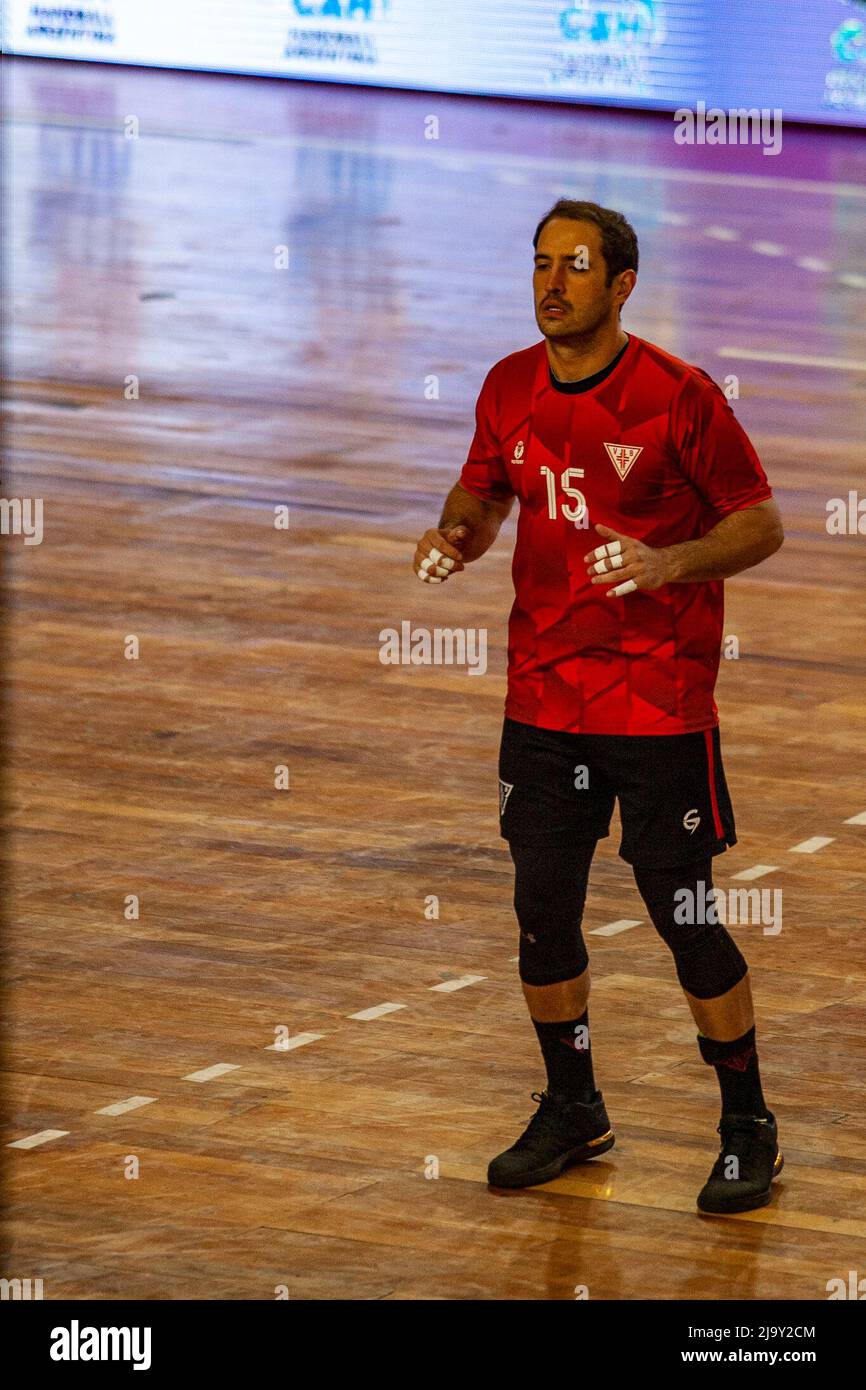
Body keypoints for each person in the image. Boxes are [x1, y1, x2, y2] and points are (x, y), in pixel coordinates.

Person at [411, 200, 785, 1214]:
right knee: (542, 913)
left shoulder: (677, 396)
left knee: (684, 914)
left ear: (620, 284)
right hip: (542, 695)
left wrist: (669, 561)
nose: (551, 283)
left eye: (573, 266)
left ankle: (746, 1125)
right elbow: (483, 495)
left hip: (656, 703)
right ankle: (573, 1107)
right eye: (539, 263)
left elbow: (757, 523)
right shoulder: (506, 386)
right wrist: (454, 535)